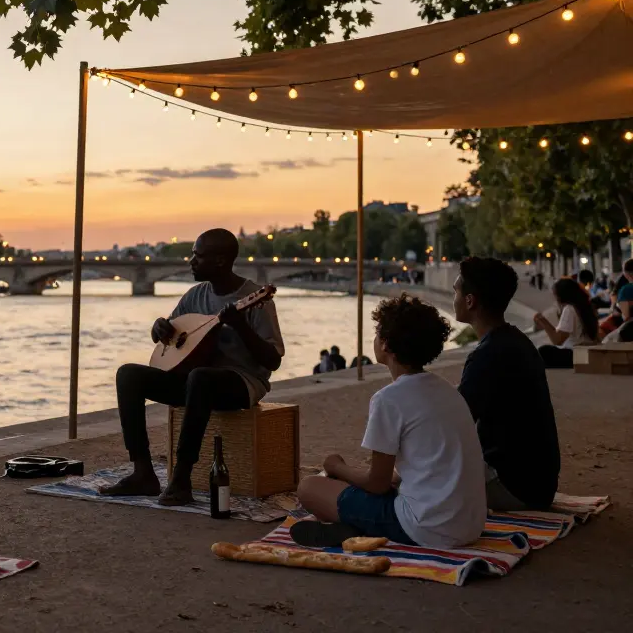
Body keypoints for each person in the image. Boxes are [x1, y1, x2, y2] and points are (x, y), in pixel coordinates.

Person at [99, 229, 284, 505]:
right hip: (195, 382)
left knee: (200, 377)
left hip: (242, 384)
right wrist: (158, 328)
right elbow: (171, 339)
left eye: (198, 256)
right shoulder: (195, 296)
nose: (191, 261)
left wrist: (240, 326)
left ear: (220, 261)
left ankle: (181, 479)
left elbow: (273, 361)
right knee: (128, 375)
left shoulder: (256, 299)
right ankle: (143, 473)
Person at [293, 294, 485, 549]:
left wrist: (337, 467)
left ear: (385, 344)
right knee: (351, 488)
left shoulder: (389, 399)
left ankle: (357, 528)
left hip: (428, 528)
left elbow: (377, 483)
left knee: (309, 488)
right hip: (470, 525)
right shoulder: (448, 391)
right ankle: (354, 527)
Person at [452, 257, 559, 511]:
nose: (453, 297)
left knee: (413, 488)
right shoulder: (516, 342)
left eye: (456, 291)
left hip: (514, 487)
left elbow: (454, 424)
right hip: (538, 485)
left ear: (470, 301)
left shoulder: (488, 355)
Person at [534, 278, 600, 368]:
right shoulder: (587, 307)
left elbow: (558, 341)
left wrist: (543, 321)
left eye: (555, 295)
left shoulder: (569, 309)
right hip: (586, 353)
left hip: (574, 355)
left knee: (543, 351)